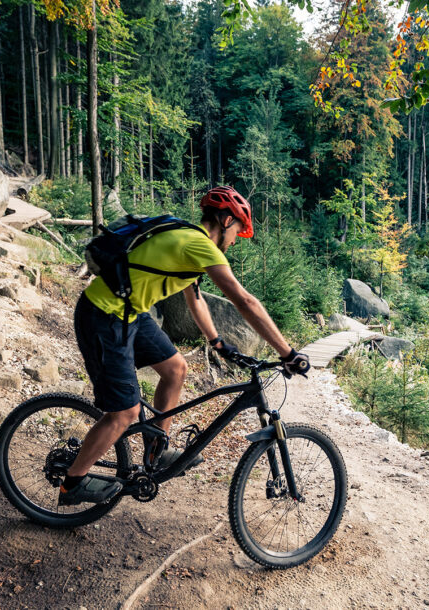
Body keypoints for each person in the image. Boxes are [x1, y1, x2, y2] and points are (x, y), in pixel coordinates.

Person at [59, 186, 310, 505]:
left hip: (129, 312)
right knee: (125, 411)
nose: (235, 240)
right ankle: (73, 482)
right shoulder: (198, 244)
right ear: (225, 219)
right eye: (237, 231)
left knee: (176, 369)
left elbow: (196, 299)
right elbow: (244, 300)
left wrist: (217, 342)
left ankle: (155, 451)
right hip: (104, 315)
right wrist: (288, 353)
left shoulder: (190, 239)